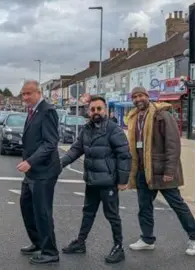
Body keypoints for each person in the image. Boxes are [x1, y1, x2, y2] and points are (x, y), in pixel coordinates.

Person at [126, 87, 195, 256]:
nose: (138, 99)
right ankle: (147, 239)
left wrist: (169, 170)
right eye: (135, 97)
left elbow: (173, 144)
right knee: (144, 207)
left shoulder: (162, 115)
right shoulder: (134, 117)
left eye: (140, 95)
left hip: (162, 171)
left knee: (177, 205)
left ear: (148, 97)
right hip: (143, 171)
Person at [60, 96, 131, 264]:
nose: (95, 112)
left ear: (105, 110)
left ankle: (118, 247)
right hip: (92, 181)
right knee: (88, 213)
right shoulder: (87, 130)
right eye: (92, 109)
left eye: (99, 109)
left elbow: (124, 155)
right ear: (89, 111)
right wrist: (60, 164)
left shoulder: (114, 130)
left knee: (112, 216)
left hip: (108, 182)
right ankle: (80, 242)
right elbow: (75, 150)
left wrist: (122, 180)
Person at [17, 80, 61, 265]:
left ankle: (50, 251)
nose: (26, 97)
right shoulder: (33, 111)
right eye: (23, 94)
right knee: (26, 206)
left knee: (42, 211)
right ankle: (38, 243)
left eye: (29, 93)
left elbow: (50, 143)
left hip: (44, 171)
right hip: (32, 172)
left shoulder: (47, 111)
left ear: (38, 92)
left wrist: (30, 161)